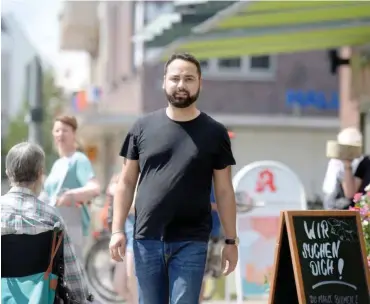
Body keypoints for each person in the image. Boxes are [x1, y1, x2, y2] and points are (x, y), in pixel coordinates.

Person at [109, 52, 238, 304]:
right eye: (175, 78)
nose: (181, 85)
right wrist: (116, 230)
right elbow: (126, 183)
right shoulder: (141, 128)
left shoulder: (215, 133)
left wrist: (231, 241)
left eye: (189, 79)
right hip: (147, 238)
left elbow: (224, 191)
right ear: (164, 82)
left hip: (192, 240)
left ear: (200, 83)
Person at [1, 142, 92, 303]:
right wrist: (83, 299)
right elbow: (72, 273)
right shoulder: (52, 218)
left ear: (8, 173)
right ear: (39, 174)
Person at [41, 115, 101, 261]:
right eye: (57, 131)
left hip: (72, 225)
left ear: (74, 133)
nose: (60, 134)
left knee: (71, 276)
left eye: (65, 130)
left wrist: (71, 195)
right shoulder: (57, 164)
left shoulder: (78, 159)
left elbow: (94, 188)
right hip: (54, 226)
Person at [105, 173, 138, 304]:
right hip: (125, 239)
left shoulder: (142, 177)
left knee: (133, 283)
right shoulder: (122, 176)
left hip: (136, 239)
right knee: (119, 285)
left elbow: (138, 206)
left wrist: (118, 194)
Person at [323, 127, 368, 209]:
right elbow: (329, 188)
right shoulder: (335, 162)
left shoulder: (361, 161)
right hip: (334, 201)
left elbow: (350, 193)